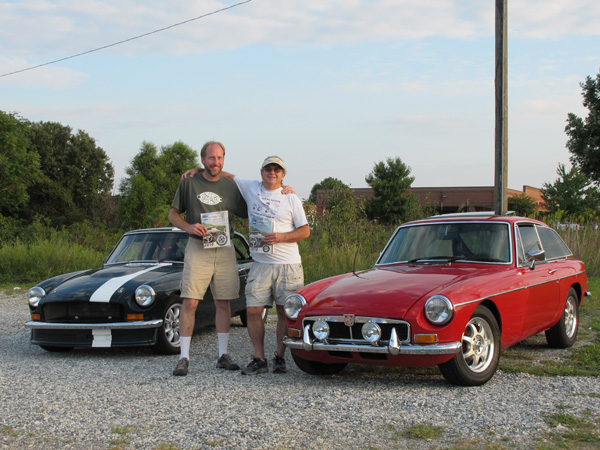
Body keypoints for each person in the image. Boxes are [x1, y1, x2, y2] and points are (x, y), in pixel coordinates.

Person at [183, 156, 310, 375]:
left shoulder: (291, 198)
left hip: (288, 264)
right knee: (252, 311)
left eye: (277, 170)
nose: (272, 172)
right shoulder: (250, 187)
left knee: (283, 312)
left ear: (283, 174)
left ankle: (279, 357)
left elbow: (305, 231)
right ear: (262, 172)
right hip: (260, 263)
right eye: (268, 169)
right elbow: (224, 173)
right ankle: (259, 359)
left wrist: (280, 237)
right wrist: (198, 168)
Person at [169, 141, 247, 376]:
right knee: (190, 301)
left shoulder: (231, 185)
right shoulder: (189, 182)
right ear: (202, 159)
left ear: (224, 159)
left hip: (224, 248)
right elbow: (173, 214)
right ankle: (184, 357)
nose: (215, 162)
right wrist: (189, 227)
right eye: (211, 158)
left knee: (223, 302)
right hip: (197, 247)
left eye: (220, 158)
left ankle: (222, 355)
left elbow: (254, 196)